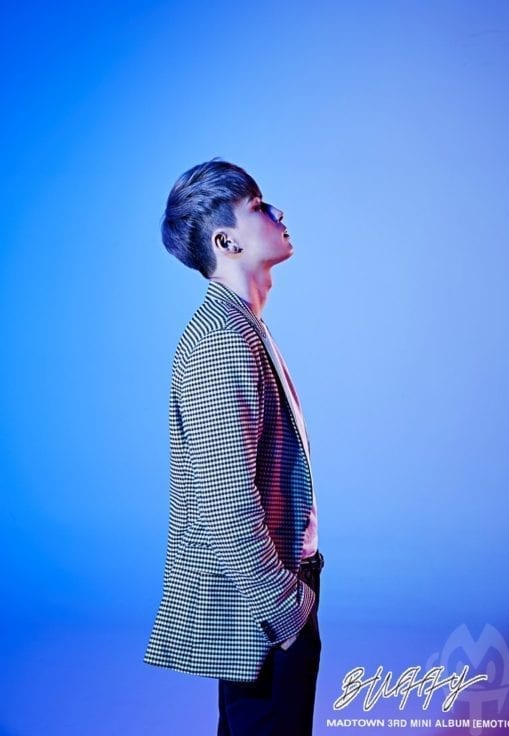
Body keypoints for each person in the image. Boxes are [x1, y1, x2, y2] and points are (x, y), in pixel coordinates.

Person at [144, 158, 324, 736]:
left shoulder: (242, 326)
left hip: (275, 593)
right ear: (227, 242)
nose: (278, 214)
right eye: (259, 207)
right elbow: (226, 507)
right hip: (264, 610)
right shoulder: (222, 340)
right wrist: (286, 611)